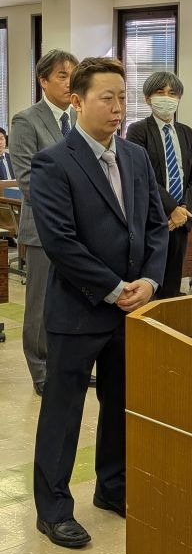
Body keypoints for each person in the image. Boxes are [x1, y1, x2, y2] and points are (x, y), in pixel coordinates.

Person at [30, 57, 168, 548]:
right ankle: (53, 510)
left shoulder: (134, 156)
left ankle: (113, 488)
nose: (117, 108)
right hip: (79, 309)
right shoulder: (54, 162)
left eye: (122, 98)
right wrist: (113, 287)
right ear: (77, 101)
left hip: (131, 309)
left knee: (121, 403)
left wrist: (149, 281)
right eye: (106, 98)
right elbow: (60, 241)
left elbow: (155, 225)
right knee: (63, 412)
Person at [8, 49, 94, 396]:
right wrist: (71, 206)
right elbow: (28, 180)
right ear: (43, 80)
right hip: (45, 228)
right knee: (41, 305)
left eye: (73, 74)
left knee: (76, 302)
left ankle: (71, 367)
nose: (70, 81)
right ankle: (41, 370)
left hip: (82, 229)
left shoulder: (80, 119)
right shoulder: (26, 121)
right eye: (62, 75)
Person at [126, 71, 192, 298]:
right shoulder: (138, 131)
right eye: (160, 92)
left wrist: (183, 208)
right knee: (148, 284)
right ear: (148, 98)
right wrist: (171, 208)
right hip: (152, 219)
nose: (167, 98)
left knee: (171, 286)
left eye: (172, 93)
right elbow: (141, 175)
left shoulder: (187, 133)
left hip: (181, 221)